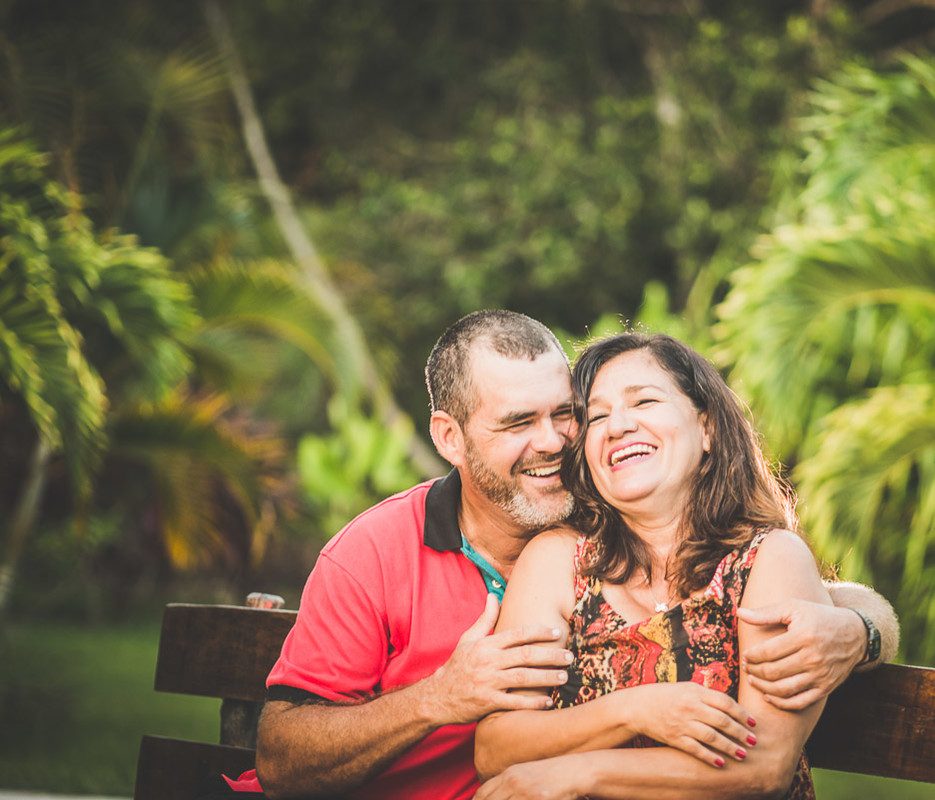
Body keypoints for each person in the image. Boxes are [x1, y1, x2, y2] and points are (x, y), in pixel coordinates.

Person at [239, 311, 896, 800]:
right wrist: (441, 696)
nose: (554, 441)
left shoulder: (600, 518)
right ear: (450, 437)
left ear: (707, 427)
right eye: (518, 423)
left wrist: (862, 628)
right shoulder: (381, 552)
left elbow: (778, 585)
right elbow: (284, 758)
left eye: (566, 414)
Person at [473, 332, 837, 798]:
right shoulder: (558, 561)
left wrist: (579, 773)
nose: (617, 426)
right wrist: (635, 710)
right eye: (597, 417)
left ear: (707, 428)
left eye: (643, 401)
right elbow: (494, 749)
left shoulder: (768, 558)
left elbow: (764, 767)